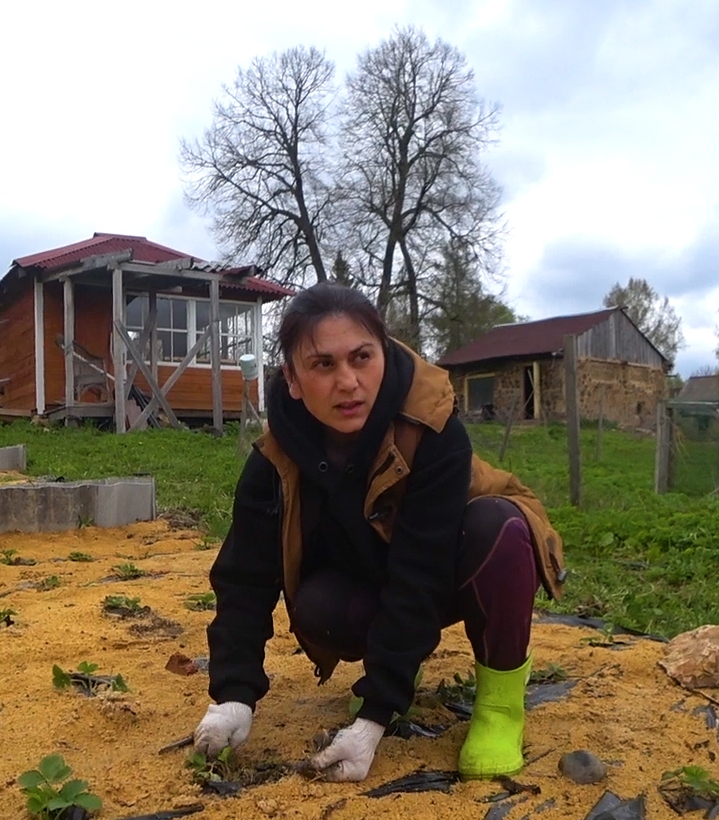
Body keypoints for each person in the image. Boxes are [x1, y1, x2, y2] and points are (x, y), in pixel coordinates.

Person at [191, 284, 564, 782]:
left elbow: (422, 571)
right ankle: (401, 664)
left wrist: (373, 719)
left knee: (498, 527)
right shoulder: (274, 459)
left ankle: (499, 704)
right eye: (323, 365)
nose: (348, 382)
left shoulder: (433, 430)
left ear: (383, 354)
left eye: (362, 357)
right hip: (382, 575)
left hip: (459, 563)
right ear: (293, 380)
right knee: (319, 606)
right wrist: (233, 696)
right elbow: (244, 577)